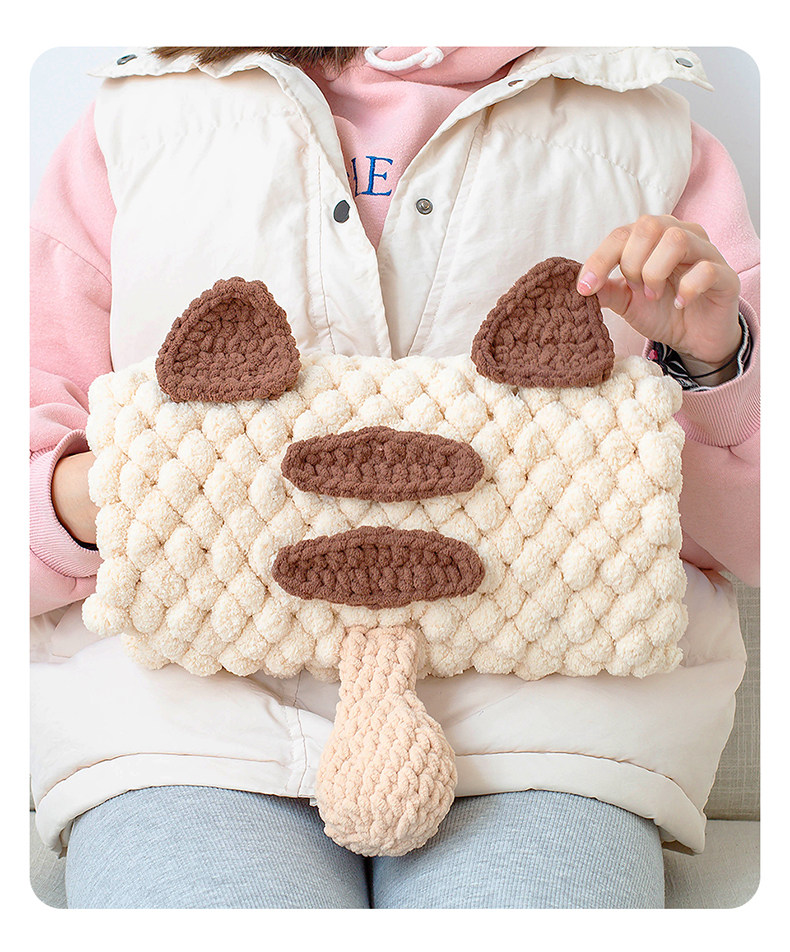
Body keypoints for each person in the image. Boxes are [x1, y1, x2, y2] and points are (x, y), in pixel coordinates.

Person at [30, 46, 760, 909]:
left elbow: (757, 539)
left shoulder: (646, 135)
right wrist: (114, 497)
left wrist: (714, 371)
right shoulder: (139, 122)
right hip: (180, 726)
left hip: (560, 731)